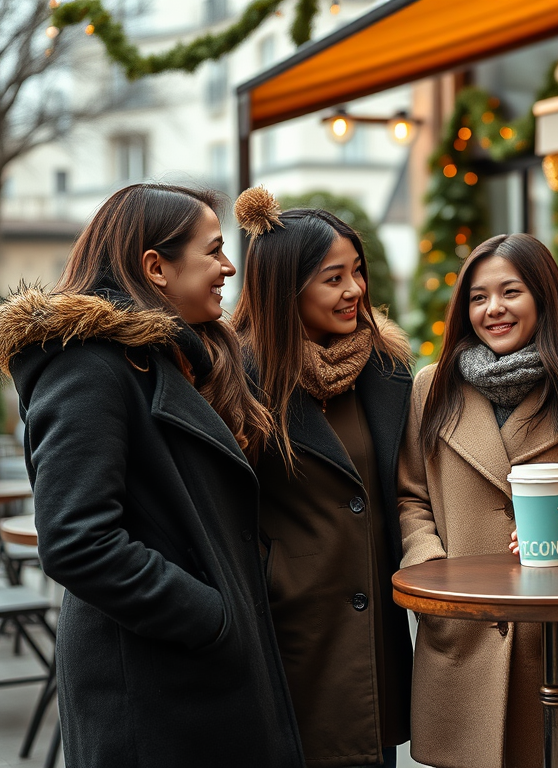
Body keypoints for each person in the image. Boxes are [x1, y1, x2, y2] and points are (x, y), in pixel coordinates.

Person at [0, 184, 304, 768]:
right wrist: (212, 618)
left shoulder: (187, 359)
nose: (228, 266)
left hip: (198, 675)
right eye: (213, 250)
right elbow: (77, 541)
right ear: (155, 268)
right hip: (153, 684)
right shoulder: (87, 365)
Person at [398, 233, 558, 768]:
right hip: (461, 625)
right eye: (478, 297)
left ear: (542, 296)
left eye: (510, 292)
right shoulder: (431, 386)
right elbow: (411, 497)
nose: (494, 310)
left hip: (549, 631)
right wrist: (429, 565)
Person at [231, 186, 413, 768]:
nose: (356, 290)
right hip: (290, 634)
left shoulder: (383, 368)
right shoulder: (235, 381)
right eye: (333, 278)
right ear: (286, 287)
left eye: (356, 272)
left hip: (373, 636)